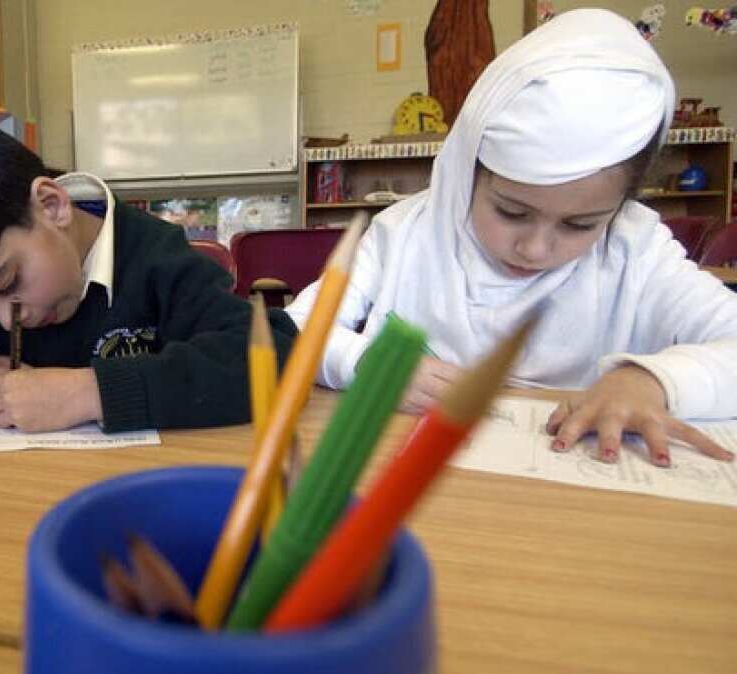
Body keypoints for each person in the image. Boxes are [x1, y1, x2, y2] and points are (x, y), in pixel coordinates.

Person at [285, 8, 737, 466]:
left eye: (580, 225)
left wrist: (652, 380)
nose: (535, 249)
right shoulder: (403, 232)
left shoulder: (635, 247)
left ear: (619, 206)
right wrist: (369, 365)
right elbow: (295, 330)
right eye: (511, 212)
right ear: (467, 172)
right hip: (412, 476)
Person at [0, 114, 297, 433]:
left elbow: (271, 353)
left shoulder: (156, 259)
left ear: (51, 206)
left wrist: (91, 393)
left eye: (8, 284)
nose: (7, 318)